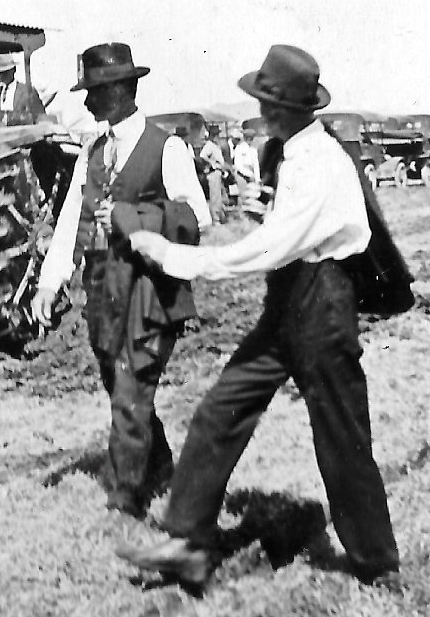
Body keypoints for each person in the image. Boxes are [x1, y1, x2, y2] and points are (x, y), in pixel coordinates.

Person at [118, 45, 400, 587]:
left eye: (270, 103)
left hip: (322, 303)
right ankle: (189, 541)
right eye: (261, 100)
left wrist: (173, 256)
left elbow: (268, 248)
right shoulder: (293, 151)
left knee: (341, 437)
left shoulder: (320, 163)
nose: (262, 112)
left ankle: (376, 562)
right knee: (221, 409)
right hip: (290, 301)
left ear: (298, 109)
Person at [30, 42, 211, 517]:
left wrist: (134, 218)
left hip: (150, 292)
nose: (87, 102)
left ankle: (126, 496)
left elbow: (198, 216)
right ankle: (162, 467)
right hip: (103, 294)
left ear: (119, 91)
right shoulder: (91, 152)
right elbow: (72, 218)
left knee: (131, 389)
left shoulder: (166, 147)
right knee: (123, 386)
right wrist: (51, 282)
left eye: (93, 92)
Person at [199, 132, 227, 224]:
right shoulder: (209, 145)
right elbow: (202, 156)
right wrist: (212, 164)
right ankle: (215, 219)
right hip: (213, 173)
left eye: (217, 134)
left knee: (220, 196)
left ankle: (221, 216)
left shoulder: (215, 146)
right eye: (215, 135)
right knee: (215, 197)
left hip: (219, 172)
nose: (217, 137)